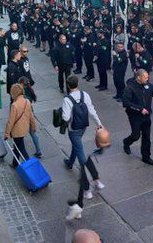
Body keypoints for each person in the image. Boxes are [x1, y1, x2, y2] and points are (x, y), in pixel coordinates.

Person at [61, 75, 105, 219]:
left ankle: (89, 187)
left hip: (73, 130)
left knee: (82, 159)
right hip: (83, 126)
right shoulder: (84, 94)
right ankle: (69, 162)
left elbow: (66, 118)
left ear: (68, 85)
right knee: (77, 147)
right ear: (78, 84)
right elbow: (92, 110)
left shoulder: (67, 99)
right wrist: (98, 123)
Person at [122, 69, 153, 166]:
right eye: (145, 77)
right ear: (138, 77)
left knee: (146, 137)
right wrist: (140, 109)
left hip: (146, 116)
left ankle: (146, 157)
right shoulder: (130, 88)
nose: (147, 79)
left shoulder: (148, 86)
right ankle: (126, 142)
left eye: (148, 77)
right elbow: (126, 103)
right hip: (135, 116)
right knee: (136, 136)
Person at [4, 83, 35, 163]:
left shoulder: (14, 105)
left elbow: (11, 122)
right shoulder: (27, 101)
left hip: (17, 131)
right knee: (17, 145)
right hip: (24, 129)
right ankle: (15, 163)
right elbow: (31, 116)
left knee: (21, 148)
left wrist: (7, 133)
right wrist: (33, 126)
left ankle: (29, 165)